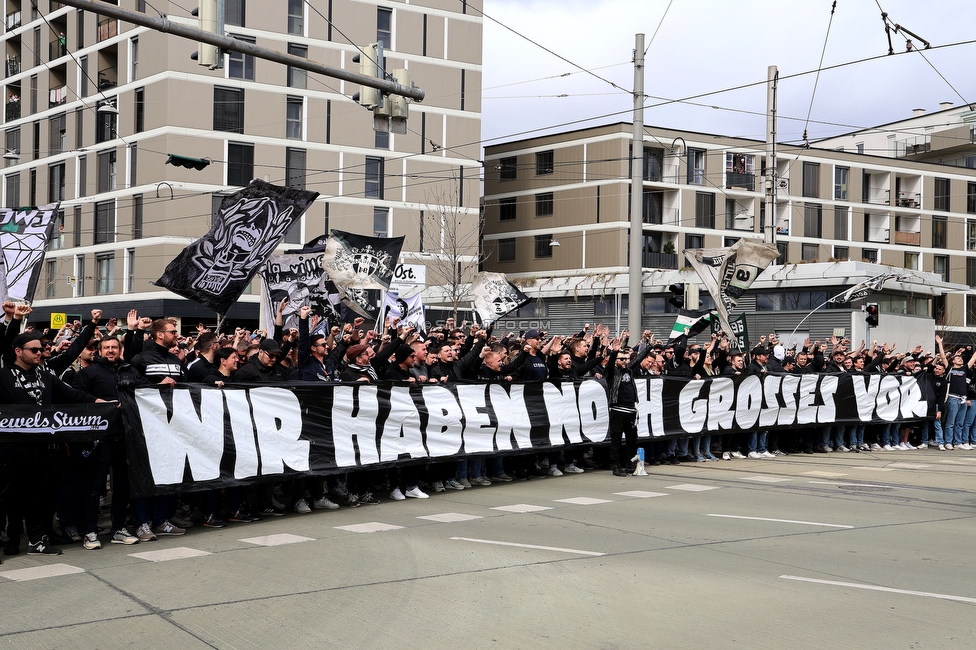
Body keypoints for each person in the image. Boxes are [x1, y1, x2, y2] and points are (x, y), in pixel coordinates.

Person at [0, 332, 103, 556]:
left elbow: (71, 395)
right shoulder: (3, 375)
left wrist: (97, 402)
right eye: (34, 350)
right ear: (18, 351)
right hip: (10, 449)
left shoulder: (46, 376)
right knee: (8, 497)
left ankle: (37, 541)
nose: (40, 353)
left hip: (42, 446)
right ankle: (10, 540)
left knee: (39, 496)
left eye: (41, 349)